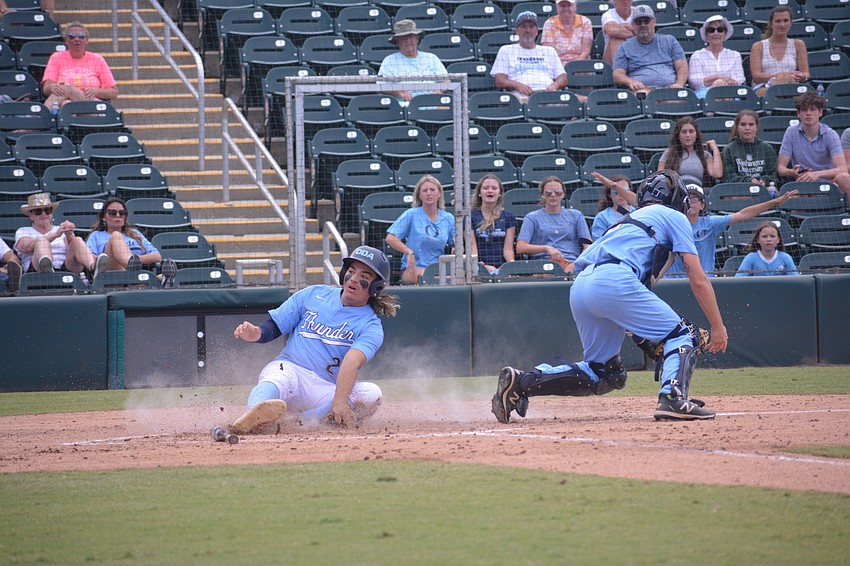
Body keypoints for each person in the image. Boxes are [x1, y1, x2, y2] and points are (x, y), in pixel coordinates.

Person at [492, 170, 728, 422]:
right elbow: (697, 276)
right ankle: (672, 397)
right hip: (615, 280)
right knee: (684, 335)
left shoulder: (625, 221)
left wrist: (642, 337)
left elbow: (630, 301)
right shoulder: (672, 216)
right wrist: (717, 326)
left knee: (603, 372)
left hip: (583, 285)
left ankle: (522, 382)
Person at [229, 246, 400, 434]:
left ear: (376, 287)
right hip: (291, 371)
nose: (354, 278)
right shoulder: (313, 294)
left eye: (365, 277)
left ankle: (302, 422)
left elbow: (352, 361)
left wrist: (340, 401)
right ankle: (253, 415)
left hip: (325, 389)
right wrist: (256, 333)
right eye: (351, 271)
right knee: (277, 378)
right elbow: (275, 326)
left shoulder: (371, 326)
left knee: (370, 393)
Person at [665, 183, 798, 277]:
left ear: (702, 205)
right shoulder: (672, 223)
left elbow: (743, 214)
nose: (690, 202)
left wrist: (774, 203)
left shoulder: (710, 223)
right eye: (686, 199)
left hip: (703, 281)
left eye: (694, 199)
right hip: (674, 281)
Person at [85, 197, 178, 287]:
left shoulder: (135, 234)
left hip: (136, 274)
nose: (118, 215)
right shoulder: (96, 235)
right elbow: (91, 257)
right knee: (116, 235)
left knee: (164, 276)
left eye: (122, 213)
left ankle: (156, 280)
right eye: (112, 213)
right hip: (112, 276)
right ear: (103, 218)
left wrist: (136, 260)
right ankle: (152, 281)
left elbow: (157, 256)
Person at [776, 92, 850, 204]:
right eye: (804, 110)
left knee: (843, 177)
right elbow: (781, 168)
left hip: (829, 183)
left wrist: (817, 174)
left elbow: (842, 168)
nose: (808, 113)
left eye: (813, 109)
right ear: (798, 113)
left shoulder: (830, 134)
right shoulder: (791, 132)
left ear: (820, 112)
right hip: (803, 182)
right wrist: (792, 171)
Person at [385, 175, 455, 284]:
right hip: (412, 269)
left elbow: (455, 244)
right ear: (419, 195)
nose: (428, 193)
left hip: (439, 269)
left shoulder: (448, 218)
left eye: (432, 190)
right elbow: (390, 238)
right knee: (431, 277)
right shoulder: (411, 214)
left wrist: (455, 250)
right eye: (424, 190)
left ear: (439, 194)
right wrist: (409, 252)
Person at [13, 193, 102, 278]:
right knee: (42, 241)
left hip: (65, 268)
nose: (44, 214)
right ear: (31, 215)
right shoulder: (23, 231)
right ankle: (47, 268)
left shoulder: (60, 228)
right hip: (36, 271)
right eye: (38, 211)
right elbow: (25, 247)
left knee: (77, 240)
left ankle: (94, 268)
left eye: (47, 210)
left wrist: (69, 234)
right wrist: (56, 235)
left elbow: (73, 250)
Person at [516, 176, 591, 272]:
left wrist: (577, 264)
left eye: (558, 192)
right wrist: (546, 248)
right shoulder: (532, 217)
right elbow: (520, 247)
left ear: (563, 194)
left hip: (572, 264)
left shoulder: (576, 215)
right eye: (548, 193)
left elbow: (588, 245)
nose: (553, 195)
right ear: (542, 194)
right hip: (542, 266)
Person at [491, 11, 568, 103]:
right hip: (520, 96)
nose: (528, 30)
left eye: (531, 26)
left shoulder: (549, 51)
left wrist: (554, 86)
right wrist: (517, 85)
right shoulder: (506, 50)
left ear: (536, 31)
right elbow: (499, 81)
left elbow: (563, 78)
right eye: (524, 26)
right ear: (517, 30)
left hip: (548, 94)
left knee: (577, 102)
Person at [612, 5, 688, 95]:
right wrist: (630, 82)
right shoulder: (624, 47)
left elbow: (682, 66)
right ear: (632, 25)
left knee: (678, 100)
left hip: (670, 89)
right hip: (642, 90)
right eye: (638, 22)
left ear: (654, 22)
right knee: (643, 96)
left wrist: (679, 83)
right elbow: (617, 74)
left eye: (646, 21)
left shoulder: (669, 40)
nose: (642, 25)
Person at [42, 22, 118, 110]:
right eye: (72, 36)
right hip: (65, 103)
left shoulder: (97, 59)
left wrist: (96, 91)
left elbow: (114, 93)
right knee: (66, 104)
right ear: (66, 40)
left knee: (67, 89)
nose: (77, 39)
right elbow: (46, 88)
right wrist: (52, 88)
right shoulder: (56, 57)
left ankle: (42, 117)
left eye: (81, 36)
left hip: (92, 105)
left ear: (87, 40)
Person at [377, 19, 447, 103]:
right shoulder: (389, 60)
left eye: (411, 36)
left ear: (417, 39)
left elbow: (446, 80)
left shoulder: (431, 58)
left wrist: (439, 90)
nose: (408, 40)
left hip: (431, 100)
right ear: (397, 41)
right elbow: (381, 86)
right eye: (403, 37)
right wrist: (399, 93)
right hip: (405, 104)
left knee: (445, 108)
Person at [749, 6, 809, 96]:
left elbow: (806, 73)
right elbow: (756, 76)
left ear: (791, 23)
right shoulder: (758, 46)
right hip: (765, 88)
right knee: (783, 78)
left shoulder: (798, 44)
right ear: (771, 24)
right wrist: (781, 76)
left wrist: (802, 76)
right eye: (778, 21)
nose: (782, 25)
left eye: (785, 20)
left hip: (792, 84)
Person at [688, 15, 745, 99]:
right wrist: (719, 79)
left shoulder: (735, 55)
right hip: (704, 93)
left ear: (725, 33)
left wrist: (721, 82)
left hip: (730, 91)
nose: (716, 33)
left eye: (720, 30)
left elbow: (739, 78)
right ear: (706, 34)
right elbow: (694, 81)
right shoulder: (697, 55)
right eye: (711, 30)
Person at [658, 116, 722, 189]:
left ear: (696, 134)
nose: (688, 135)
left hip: (698, 195)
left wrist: (715, 149)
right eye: (684, 132)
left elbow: (717, 174)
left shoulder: (705, 155)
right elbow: (660, 178)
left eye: (691, 131)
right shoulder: (669, 153)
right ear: (678, 135)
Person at [470, 173, 516, 274]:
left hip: (502, 267)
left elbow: (508, 250)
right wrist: (479, 265)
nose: (490, 191)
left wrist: (510, 268)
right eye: (486, 188)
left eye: (494, 188)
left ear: (500, 193)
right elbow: (473, 249)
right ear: (479, 193)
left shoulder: (508, 216)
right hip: (480, 267)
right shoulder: (470, 217)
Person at [721, 109, 779, 186]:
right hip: (738, 190)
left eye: (751, 124)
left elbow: (773, 176)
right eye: (743, 124)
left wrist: (764, 181)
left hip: (763, 189)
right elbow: (728, 178)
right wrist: (748, 181)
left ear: (757, 127)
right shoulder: (729, 150)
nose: (747, 128)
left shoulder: (767, 148)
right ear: (737, 127)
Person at [541, 0, 593, 67]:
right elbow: (549, 53)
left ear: (575, 7)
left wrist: (575, 66)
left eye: (569, 5)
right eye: (562, 6)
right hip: (557, 64)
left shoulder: (585, 22)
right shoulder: (549, 24)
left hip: (581, 63)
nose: (565, 9)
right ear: (557, 7)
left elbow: (586, 52)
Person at [589, 172, 637, 239]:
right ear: (609, 194)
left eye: (625, 190)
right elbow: (599, 242)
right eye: (616, 191)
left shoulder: (638, 212)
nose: (621, 195)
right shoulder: (602, 217)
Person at [600, 0, 634, 66]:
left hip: (636, 50)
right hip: (611, 58)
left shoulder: (638, 12)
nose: (625, 1)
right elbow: (613, 32)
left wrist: (620, 27)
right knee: (616, 39)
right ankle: (618, 71)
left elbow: (648, 30)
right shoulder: (608, 14)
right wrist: (635, 31)